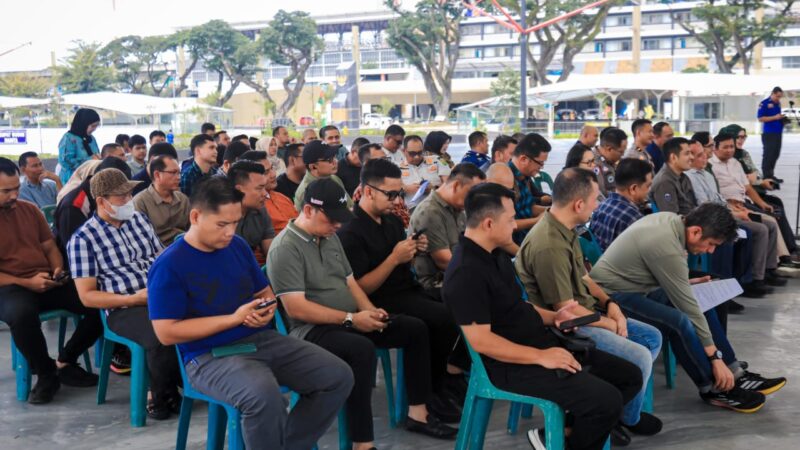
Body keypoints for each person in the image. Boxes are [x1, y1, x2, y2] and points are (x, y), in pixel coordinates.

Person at [146, 177, 352, 449]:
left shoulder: (237, 246)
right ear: (195, 217)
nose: (230, 232)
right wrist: (234, 318)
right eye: (222, 224)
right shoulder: (169, 265)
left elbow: (264, 293)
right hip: (207, 356)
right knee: (263, 397)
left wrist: (266, 309)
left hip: (260, 340)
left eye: (235, 222)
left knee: (337, 376)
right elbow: (166, 333)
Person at [443, 182, 643, 450]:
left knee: (629, 375)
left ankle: (565, 433)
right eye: (511, 219)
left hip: (539, 341)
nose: (515, 226)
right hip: (509, 364)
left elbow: (515, 307)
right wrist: (541, 357)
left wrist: (554, 317)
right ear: (489, 223)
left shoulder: (494, 254)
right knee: (605, 401)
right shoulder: (466, 272)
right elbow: (482, 341)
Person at [268, 178, 458, 448]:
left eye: (339, 219)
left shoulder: (330, 237)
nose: (336, 225)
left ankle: (419, 412)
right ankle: (363, 442)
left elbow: (350, 282)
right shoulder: (285, 247)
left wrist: (370, 312)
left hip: (348, 320)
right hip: (311, 330)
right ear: (308, 211)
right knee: (360, 349)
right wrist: (351, 319)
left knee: (414, 328)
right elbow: (296, 308)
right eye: (330, 219)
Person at [590, 203, 786, 412]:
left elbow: (653, 269)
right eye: (711, 244)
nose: (710, 251)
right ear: (695, 231)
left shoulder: (670, 220)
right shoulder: (665, 245)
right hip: (611, 298)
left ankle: (735, 372)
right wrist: (714, 358)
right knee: (680, 322)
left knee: (702, 302)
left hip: (637, 287)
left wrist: (682, 283)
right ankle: (713, 388)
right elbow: (687, 307)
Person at [516, 168, 663, 444]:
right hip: (565, 329)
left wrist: (611, 305)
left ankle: (621, 415)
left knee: (652, 337)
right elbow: (566, 311)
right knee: (640, 357)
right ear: (579, 204)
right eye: (596, 199)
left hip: (587, 312)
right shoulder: (548, 244)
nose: (599, 204)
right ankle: (612, 415)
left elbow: (584, 276)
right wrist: (609, 322)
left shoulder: (565, 228)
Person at [338, 158, 468, 418]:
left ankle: (449, 375)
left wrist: (411, 251)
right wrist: (395, 258)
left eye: (399, 193)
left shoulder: (392, 222)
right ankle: (432, 390)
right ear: (367, 191)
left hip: (406, 289)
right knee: (440, 319)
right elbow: (360, 287)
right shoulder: (351, 231)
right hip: (379, 300)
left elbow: (400, 266)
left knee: (464, 302)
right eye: (390, 195)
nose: (397, 201)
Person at [67, 168, 181, 419]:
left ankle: (190, 380)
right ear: (101, 201)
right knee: (160, 332)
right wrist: (133, 299)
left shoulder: (139, 220)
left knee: (201, 314)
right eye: (122, 197)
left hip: (158, 292)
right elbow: (87, 296)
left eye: (130, 194)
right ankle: (161, 394)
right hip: (123, 307)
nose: (129, 200)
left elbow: (160, 256)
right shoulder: (83, 239)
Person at [0, 157, 102, 405]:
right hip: (10, 285)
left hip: (46, 279)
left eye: (16, 188)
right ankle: (46, 374)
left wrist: (57, 269)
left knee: (101, 302)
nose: (14, 195)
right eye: (6, 191)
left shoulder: (29, 210)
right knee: (22, 315)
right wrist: (27, 283)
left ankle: (65, 360)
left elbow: (49, 247)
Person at [685, 139, 772, 301]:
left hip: (721, 212)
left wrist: (734, 210)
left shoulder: (707, 175)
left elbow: (718, 199)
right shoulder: (689, 176)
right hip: (708, 218)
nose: (705, 158)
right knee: (727, 238)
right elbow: (704, 204)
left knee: (748, 232)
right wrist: (732, 214)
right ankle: (723, 284)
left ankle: (741, 282)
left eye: (704, 155)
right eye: (699, 156)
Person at [709, 133, 790, 286]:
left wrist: (761, 203)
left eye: (731, 147)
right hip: (728, 206)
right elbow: (714, 196)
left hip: (743, 203)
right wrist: (733, 208)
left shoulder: (735, 163)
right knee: (762, 228)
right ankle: (755, 277)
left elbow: (747, 187)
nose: (729, 150)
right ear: (715, 148)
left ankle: (769, 269)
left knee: (771, 221)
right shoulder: (710, 166)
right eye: (725, 147)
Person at [409, 163, 486, 292]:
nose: (474, 200)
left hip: (457, 274)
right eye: (471, 194)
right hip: (436, 283)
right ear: (456, 186)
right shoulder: (430, 212)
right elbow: (444, 261)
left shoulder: (458, 208)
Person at [53, 157, 133, 258]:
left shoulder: (119, 200)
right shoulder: (73, 206)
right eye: (120, 192)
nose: (127, 199)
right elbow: (75, 253)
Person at [590, 159, 653, 251]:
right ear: (633, 189)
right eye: (648, 186)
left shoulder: (601, 207)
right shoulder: (634, 219)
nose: (649, 190)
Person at [133, 155, 190, 246]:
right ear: (157, 175)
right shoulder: (140, 202)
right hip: (159, 252)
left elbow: (191, 229)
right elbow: (143, 239)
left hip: (184, 246)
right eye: (173, 173)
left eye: (179, 173)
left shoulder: (183, 199)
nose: (178, 177)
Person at [228, 160, 275, 265]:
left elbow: (271, 254)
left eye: (264, 187)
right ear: (239, 190)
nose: (265, 194)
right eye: (259, 188)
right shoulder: (220, 218)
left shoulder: (261, 210)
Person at [508, 133, 551, 244]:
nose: (542, 167)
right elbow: (505, 225)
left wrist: (553, 211)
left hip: (529, 237)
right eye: (540, 163)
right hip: (515, 244)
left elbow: (528, 207)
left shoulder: (525, 176)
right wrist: (536, 220)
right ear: (523, 159)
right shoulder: (505, 179)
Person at [293, 140, 352, 212]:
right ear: (313, 167)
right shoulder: (306, 192)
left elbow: (350, 205)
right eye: (329, 159)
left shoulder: (334, 178)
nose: (335, 161)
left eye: (334, 156)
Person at [650, 137, 697, 215]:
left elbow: (693, 206)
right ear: (673, 157)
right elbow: (671, 218)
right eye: (687, 153)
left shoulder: (683, 177)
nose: (692, 157)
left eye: (691, 153)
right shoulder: (664, 182)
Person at [400, 135, 449, 206]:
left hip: (437, 207)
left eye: (420, 152)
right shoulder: (397, 168)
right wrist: (405, 189)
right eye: (412, 153)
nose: (416, 157)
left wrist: (434, 188)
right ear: (404, 151)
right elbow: (389, 191)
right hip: (411, 211)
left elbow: (449, 185)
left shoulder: (437, 161)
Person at [58, 108, 101, 183]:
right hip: (72, 181)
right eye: (93, 126)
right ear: (83, 124)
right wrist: (89, 160)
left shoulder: (91, 138)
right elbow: (65, 161)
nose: (95, 129)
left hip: (90, 179)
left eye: (96, 126)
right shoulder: (68, 138)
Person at [261, 157, 298, 235]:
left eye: (272, 168)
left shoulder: (283, 198)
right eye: (266, 172)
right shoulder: (255, 207)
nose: (273, 174)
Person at [758, 86, 786, 181]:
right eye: (777, 96)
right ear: (773, 93)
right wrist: (775, 117)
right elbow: (760, 118)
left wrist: (782, 119)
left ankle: (771, 174)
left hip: (778, 133)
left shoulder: (778, 103)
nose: (779, 98)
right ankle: (766, 176)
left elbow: (777, 117)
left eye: (780, 97)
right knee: (768, 154)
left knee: (775, 154)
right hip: (769, 133)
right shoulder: (764, 103)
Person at [593, 127, 628, 197]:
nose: (623, 155)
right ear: (609, 149)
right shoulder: (592, 163)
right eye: (621, 152)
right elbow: (601, 196)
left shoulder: (615, 161)